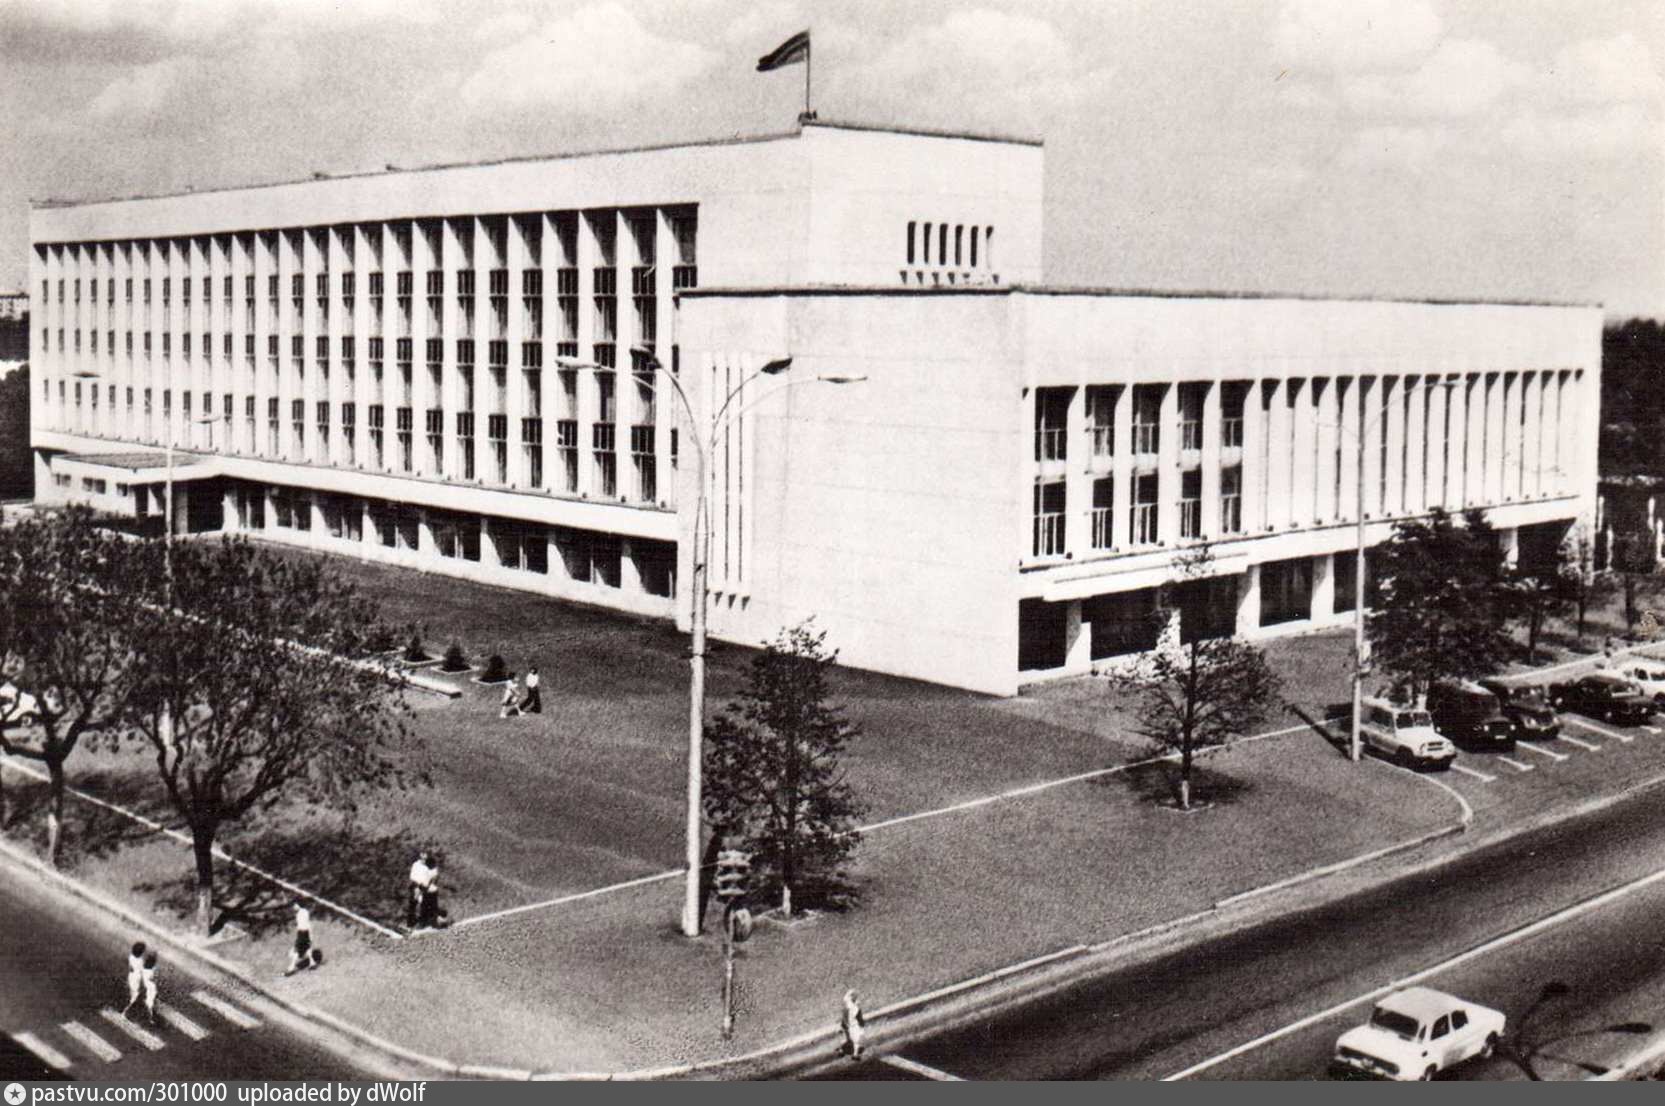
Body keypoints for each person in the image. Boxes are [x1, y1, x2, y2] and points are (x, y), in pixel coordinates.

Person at [285, 899, 321, 975]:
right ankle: (312, 963)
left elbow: (306, 924)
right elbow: (302, 925)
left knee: (296, 950)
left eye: (295, 905)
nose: (294, 907)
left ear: (298, 904)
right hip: (302, 934)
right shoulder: (300, 913)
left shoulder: (303, 912)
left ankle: (291, 968)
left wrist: (309, 934)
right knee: (306, 948)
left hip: (303, 934)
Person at [407, 851, 433, 928]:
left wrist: (424, 885)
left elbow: (427, 880)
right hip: (415, 886)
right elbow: (412, 876)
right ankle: (410, 923)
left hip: (422, 888)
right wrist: (418, 884)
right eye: (423, 858)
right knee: (413, 905)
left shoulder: (426, 868)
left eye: (426, 858)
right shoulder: (415, 865)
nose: (424, 859)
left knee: (422, 904)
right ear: (420, 857)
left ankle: (421, 923)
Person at [840, 989, 866, 1060]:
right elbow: (860, 1019)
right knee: (856, 1041)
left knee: (847, 1039)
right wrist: (862, 1026)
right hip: (853, 1026)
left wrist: (850, 992)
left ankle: (842, 1051)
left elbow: (845, 999)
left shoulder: (847, 1006)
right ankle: (855, 1055)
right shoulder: (857, 1009)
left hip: (845, 1025)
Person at [122, 941, 146, 1015]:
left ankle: (126, 1007)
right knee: (135, 995)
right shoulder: (140, 961)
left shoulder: (131, 957)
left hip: (131, 975)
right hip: (136, 977)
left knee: (131, 992)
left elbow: (130, 967)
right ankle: (125, 1011)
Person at [140, 952, 159, 1024]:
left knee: (150, 1000)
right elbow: (153, 978)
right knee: (150, 1002)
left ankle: (150, 1015)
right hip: (150, 986)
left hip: (147, 985)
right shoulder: (152, 970)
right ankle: (149, 1017)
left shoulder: (144, 967)